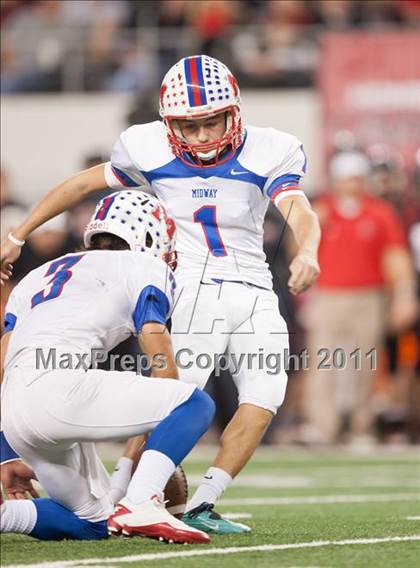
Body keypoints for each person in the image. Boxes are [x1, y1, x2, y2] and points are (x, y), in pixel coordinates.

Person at [0, 55, 321, 534]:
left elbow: (299, 207)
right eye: (188, 127)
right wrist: (19, 233)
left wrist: (308, 251)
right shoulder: (145, 146)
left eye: (211, 122)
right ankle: (127, 492)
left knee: (265, 398)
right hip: (189, 285)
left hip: (254, 286)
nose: (202, 137)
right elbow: (82, 184)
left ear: (234, 112)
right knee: (172, 397)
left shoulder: (271, 148)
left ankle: (202, 503)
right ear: (169, 124)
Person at [0, 191, 214, 544]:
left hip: (17, 411)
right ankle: (143, 500)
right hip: (59, 390)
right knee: (194, 403)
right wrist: (166, 404)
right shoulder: (145, 266)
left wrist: (5, 452)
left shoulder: (39, 274)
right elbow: (153, 333)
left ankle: (7, 516)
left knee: (92, 522)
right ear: (150, 236)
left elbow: (4, 356)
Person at [301, 151, 417, 446]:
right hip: (328, 295)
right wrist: (311, 225)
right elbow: (296, 251)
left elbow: (395, 256)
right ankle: (321, 426)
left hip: (369, 296)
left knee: (364, 362)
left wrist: (404, 295)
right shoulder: (321, 211)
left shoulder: (379, 213)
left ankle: (361, 426)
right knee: (323, 361)